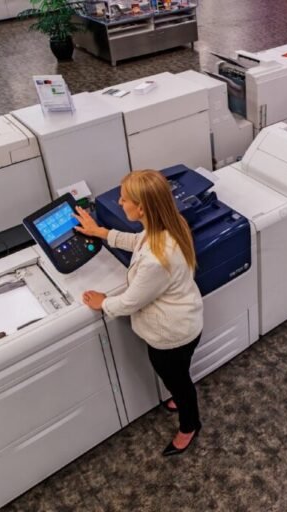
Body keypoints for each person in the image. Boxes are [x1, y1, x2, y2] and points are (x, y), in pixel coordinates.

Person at [74, 170, 204, 455]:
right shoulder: (170, 224)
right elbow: (139, 241)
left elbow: (129, 303)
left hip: (171, 337)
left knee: (177, 380)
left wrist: (103, 302)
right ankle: (180, 394)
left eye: (124, 199)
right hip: (188, 320)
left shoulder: (157, 260)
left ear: (142, 208)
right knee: (179, 373)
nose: (119, 203)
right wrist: (101, 232)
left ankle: (189, 425)